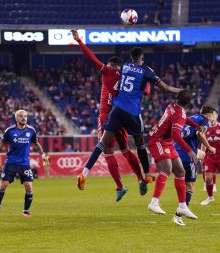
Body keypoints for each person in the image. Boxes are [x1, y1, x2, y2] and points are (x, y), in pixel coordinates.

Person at [76, 46, 183, 196]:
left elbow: (93, 59)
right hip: (132, 112)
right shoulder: (145, 70)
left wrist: (79, 40)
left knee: (102, 145)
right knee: (139, 144)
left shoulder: (124, 67)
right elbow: (158, 89)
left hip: (115, 111)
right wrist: (181, 91)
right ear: (142, 57)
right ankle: (145, 175)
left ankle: (84, 173)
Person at [72, 29, 149, 200]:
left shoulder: (107, 72)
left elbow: (92, 58)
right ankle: (140, 178)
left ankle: (120, 187)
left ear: (111, 65)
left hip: (108, 117)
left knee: (107, 152)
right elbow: (147, 88)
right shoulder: (127, 75)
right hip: (124, 115)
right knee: (126, 150)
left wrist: (79, 41)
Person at [147, 90, 203, 225]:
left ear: (177, 98)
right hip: (157, 140)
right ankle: (154, 202)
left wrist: (195, 126)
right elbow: (176, 134)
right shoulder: (179, 113)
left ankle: (182, 207)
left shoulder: (173, 105)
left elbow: (184, 118)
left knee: (180, 171)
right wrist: (189, 150)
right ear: (189, 103)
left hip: (167, 142)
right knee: (167, 168)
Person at [0, 110, 49, 218]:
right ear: (16, 118)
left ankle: (26, 210)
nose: (24, 118)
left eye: (25, 116)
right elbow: (0, 144)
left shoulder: (31, 130)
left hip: (24, 163)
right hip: (10, 162)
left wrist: (43, 155)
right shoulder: (10, 131)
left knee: (29, 186)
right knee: (3, 185)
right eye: (21, 116)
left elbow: (36, 144)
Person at [172, 105, 217, 225]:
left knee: (183, 182)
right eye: (214, 114)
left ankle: (179, 212)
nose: (214, 117)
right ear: (209, 114)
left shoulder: (192, 117)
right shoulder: (204, 121)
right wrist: (209, 147)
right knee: (190, 186)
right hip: (187, 155)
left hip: (176, 151)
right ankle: (179, 215)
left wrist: (200, 150)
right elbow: (199, 134)